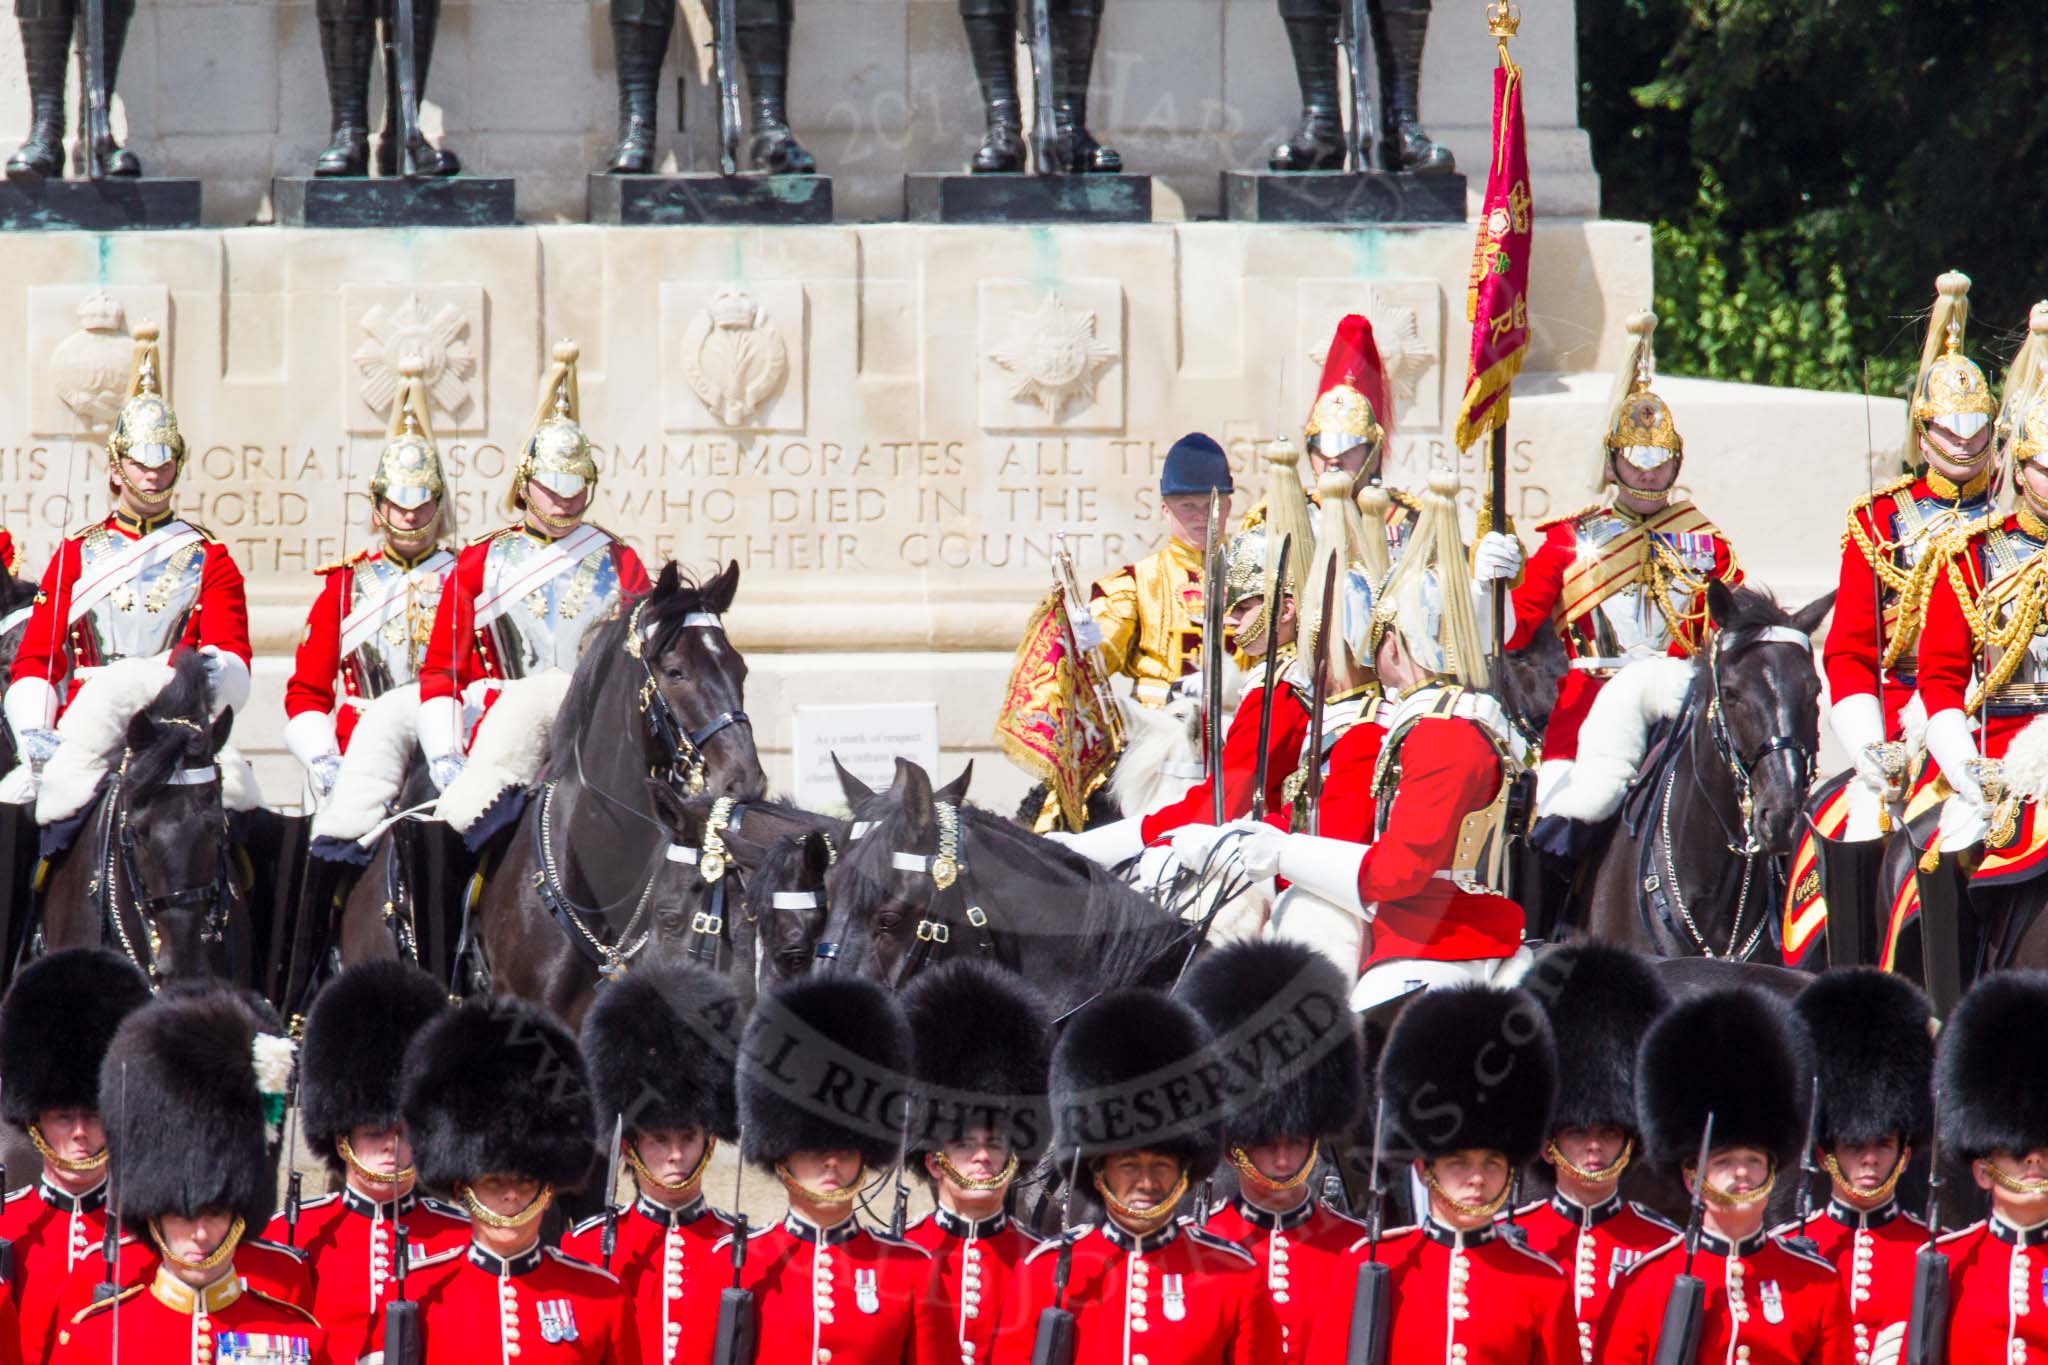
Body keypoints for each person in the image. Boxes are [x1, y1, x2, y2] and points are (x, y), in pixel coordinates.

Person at [1176, 467, 1531, 1003]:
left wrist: (1280, 853)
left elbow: (1398, 871)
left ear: (1398, 643)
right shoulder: (1439, 721)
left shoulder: (1443, 733)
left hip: (1435, 944)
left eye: (1378, 638)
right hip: (1415, 933)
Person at [1795, 272, 2003, 967]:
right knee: (1856, 819)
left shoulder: (2014, 522)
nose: (1967, 441)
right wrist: (1864, 742)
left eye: (1979, 428)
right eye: (1953, 428)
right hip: (1903, 719)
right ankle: (1855, 989)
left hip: (1998, 710)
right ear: (1924, 429)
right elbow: (1851, 650)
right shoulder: (1881, 520)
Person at [3, 325, 250, 796]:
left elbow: (229, 652)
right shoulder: (77, 552)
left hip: (174, 725)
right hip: (87, 726)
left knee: (237, 807)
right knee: (21, 811)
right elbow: (39, 656)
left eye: (163, 464)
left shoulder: (209, 556)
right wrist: (35, 727)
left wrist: (199, 693)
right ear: (116, 468)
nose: (153, 475)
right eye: (140, 463)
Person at [1505, 309, 1740, 792]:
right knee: (1553, 822)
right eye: (1637, 461)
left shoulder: (1708, 543)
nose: (1649, 474)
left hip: (1678, 708)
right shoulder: (1569, 540)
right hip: (1587, 710)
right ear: (1613, 463)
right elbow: (1513, 629)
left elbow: (1729, 630)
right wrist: (1490, 583)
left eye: (1661, 461)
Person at [996, 986, 1284, 1364]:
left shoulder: (1233, 1276)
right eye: (1129, 1166)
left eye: (1161, 1166)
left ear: (1184, 1168)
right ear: (1099, 1170)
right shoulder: (1043, 1272)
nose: (1147, 1183)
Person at [417, 340, 649, 793]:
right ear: (526, 483)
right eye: (552, 486)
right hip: (501, 735)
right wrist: (445, 751)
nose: (564, 498)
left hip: (596, 736)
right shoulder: (482, 560)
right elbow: (443, 668)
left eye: (575, 486)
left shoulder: (622, 561)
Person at [1301, 983, 1572, 1364]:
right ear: (1423, 1167)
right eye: (1458, 1162)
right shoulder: (1372, 1264)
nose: (1477, 1178)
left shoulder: (1543, 1282)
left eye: (1491, 1163)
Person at [50, 991, 321, 1363]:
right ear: (153, 1214)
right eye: (182, 1215)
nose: (199, 1235)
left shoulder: (295, 1336)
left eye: (214, 1214)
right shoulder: (94, 1338)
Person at [1596, 987, 1853, 1362]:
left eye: (1753, 1159)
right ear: (1691, 1177)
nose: (1741, 1173)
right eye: (1722, 1162)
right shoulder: (1645, 1283)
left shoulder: (1816, 1283)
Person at [730, 975, 956, 1363]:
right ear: (781, 1153)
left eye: (845, 1148)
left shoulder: (911, 1269)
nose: (831, 1161)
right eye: (813, 1148)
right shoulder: (741, 1261)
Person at [1058, 523, 1310, 869]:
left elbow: (1221, 804)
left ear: (1284, 611)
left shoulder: (1282, 689)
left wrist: (1092, 846)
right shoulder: (1283, 677)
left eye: (1241, 609)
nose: (1231, 622)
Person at [402, 997, 637, 1362]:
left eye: (526, 1181)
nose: (511, 1196)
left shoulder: (601, 1296)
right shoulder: (416, 1292)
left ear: (548, 1187)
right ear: (463, 1186)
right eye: (494, 1181)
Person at [1911, 302, 2048, 897]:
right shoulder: (1971, 554)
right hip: (1997, 745)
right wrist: (1970, 772)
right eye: (2046, 469)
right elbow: (1940, 678)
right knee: (1949, 850)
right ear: (2019, 471)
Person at [271, 959, 467, 1363]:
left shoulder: (463, 1237)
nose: (390, 1147)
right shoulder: (293, 1233)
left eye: (403, 1132)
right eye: (374, 1133)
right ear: (342, 1138)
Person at [1183, 940, 1367, 1359]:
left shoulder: (1355, 1249)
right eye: (1266, 1146)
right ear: (1232, 1149)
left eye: (1297, 1143)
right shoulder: (1196, 1246)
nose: (1283, 1163)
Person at [284, 358, 457, 802]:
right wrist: (323, 756)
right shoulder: (343, 586)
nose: (411, 514)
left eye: (422, 502)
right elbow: (308, 690)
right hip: (358, 753)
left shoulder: (464, 578)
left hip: (448, 752)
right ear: (378, 506)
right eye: (398, 503)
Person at [563, 960, 741, 1365]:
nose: (676, 1154)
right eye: (659, 1139)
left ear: (709, 1140)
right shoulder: (585, 1245)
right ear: (629, 1148)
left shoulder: (739, 1246)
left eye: (688, 1138)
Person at [1512, 942, 1679, 1361]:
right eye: (1578, 1132)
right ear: (1549, 1145)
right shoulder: (1512, 1241)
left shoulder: (1664, 1246)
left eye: (1608, 1133)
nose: (1593, 1147)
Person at [900, 960, 1053, 1365]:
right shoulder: (902, 1255)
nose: (983, 1156)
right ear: (934, 1162)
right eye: (965, 1144)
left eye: (995, 1143)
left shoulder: (1042, 1261)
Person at [0, 949, 151, 1361]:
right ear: (35, 1120)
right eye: (64, 1117)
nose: (80, 1133)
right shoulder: (9, 1222)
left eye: (94, 1116)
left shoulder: (149, 1235)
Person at [1786, 967, 1935, 1361]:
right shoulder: (1786, 1248)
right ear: (1824, 1154)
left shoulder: (1934, 1250)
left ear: (1904, 1153)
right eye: (1854, 1145)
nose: (1870, 1158)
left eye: (1883, 1145)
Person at [1933, 971, 2048, 1363]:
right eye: (2016, 1150)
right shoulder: (1946, 1263)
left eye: (2044, 1149)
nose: (2033, 1159)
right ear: (1983, 1171)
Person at [1085, 431, 1233, 710]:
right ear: (1166, 510)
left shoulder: (1256, 580)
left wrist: (1231, 683)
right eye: (1188, 506)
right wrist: (1089, 645)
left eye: (1211, 505)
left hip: (1236, 731)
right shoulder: (1137, 581)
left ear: (1228, 506)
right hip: (1155, 729)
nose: (1200, 516)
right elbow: (1100, 659)